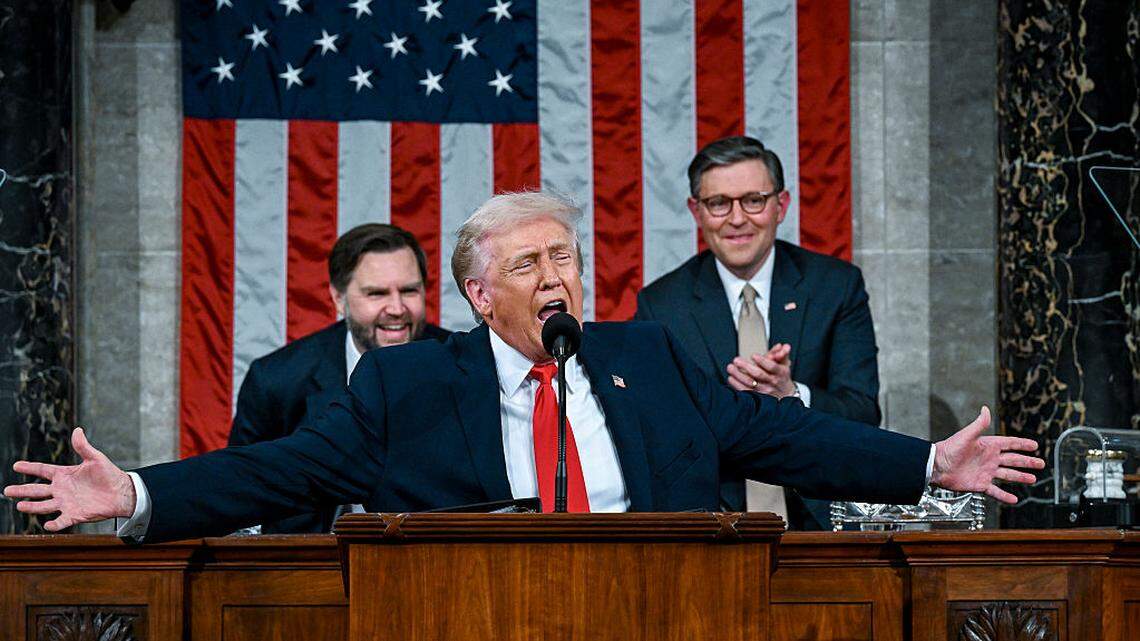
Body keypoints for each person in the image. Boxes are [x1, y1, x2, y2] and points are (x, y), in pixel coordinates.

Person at [5, 192, 1043, 544]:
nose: (556, 278)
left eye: (567, 258)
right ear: (478, 293)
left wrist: (925, 465)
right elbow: (277, 469)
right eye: (529, 264)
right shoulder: (409, 385)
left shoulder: (647, 357)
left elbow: (784, 437)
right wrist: (136, 491)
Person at [636, 136, 878, 529]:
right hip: (712, 524)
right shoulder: (661, 305)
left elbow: (863, 412)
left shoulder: (835, 287)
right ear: (696, 211)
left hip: (820, 522)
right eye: (719, 203)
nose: (736, 219)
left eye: (753, 200)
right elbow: (654, 432)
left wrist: (791, 395)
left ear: (781, 205)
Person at [229, 223, 450, 533]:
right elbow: (241, 491)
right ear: (338, 298)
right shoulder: (276, 380)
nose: (397, 308)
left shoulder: (462, 365)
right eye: (377, 293)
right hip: (312, 556)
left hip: (433, 551)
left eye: (409, 290)